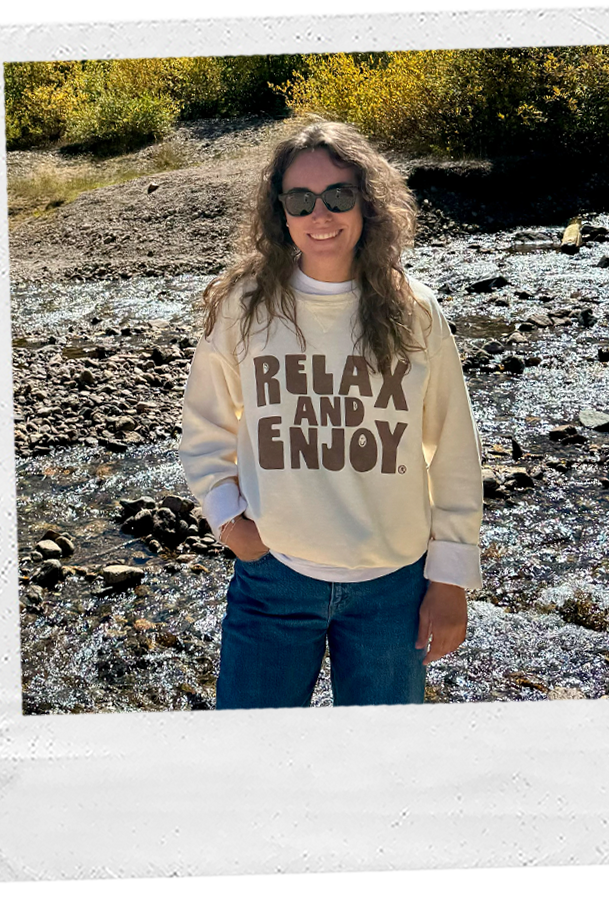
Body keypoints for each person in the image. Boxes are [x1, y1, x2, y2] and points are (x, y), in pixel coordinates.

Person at [179, 120, 483, 709]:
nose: (321, 215)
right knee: (253, 768)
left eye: (339, 196)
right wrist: (228, 521)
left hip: (393, 588)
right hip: (273, 579)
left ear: (367, 203)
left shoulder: (413, 309)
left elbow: (453, 449)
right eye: (301, 199)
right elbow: (205, 425)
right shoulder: (244, 304)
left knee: (382, 775)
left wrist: (450, 579)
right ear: (281, 213)